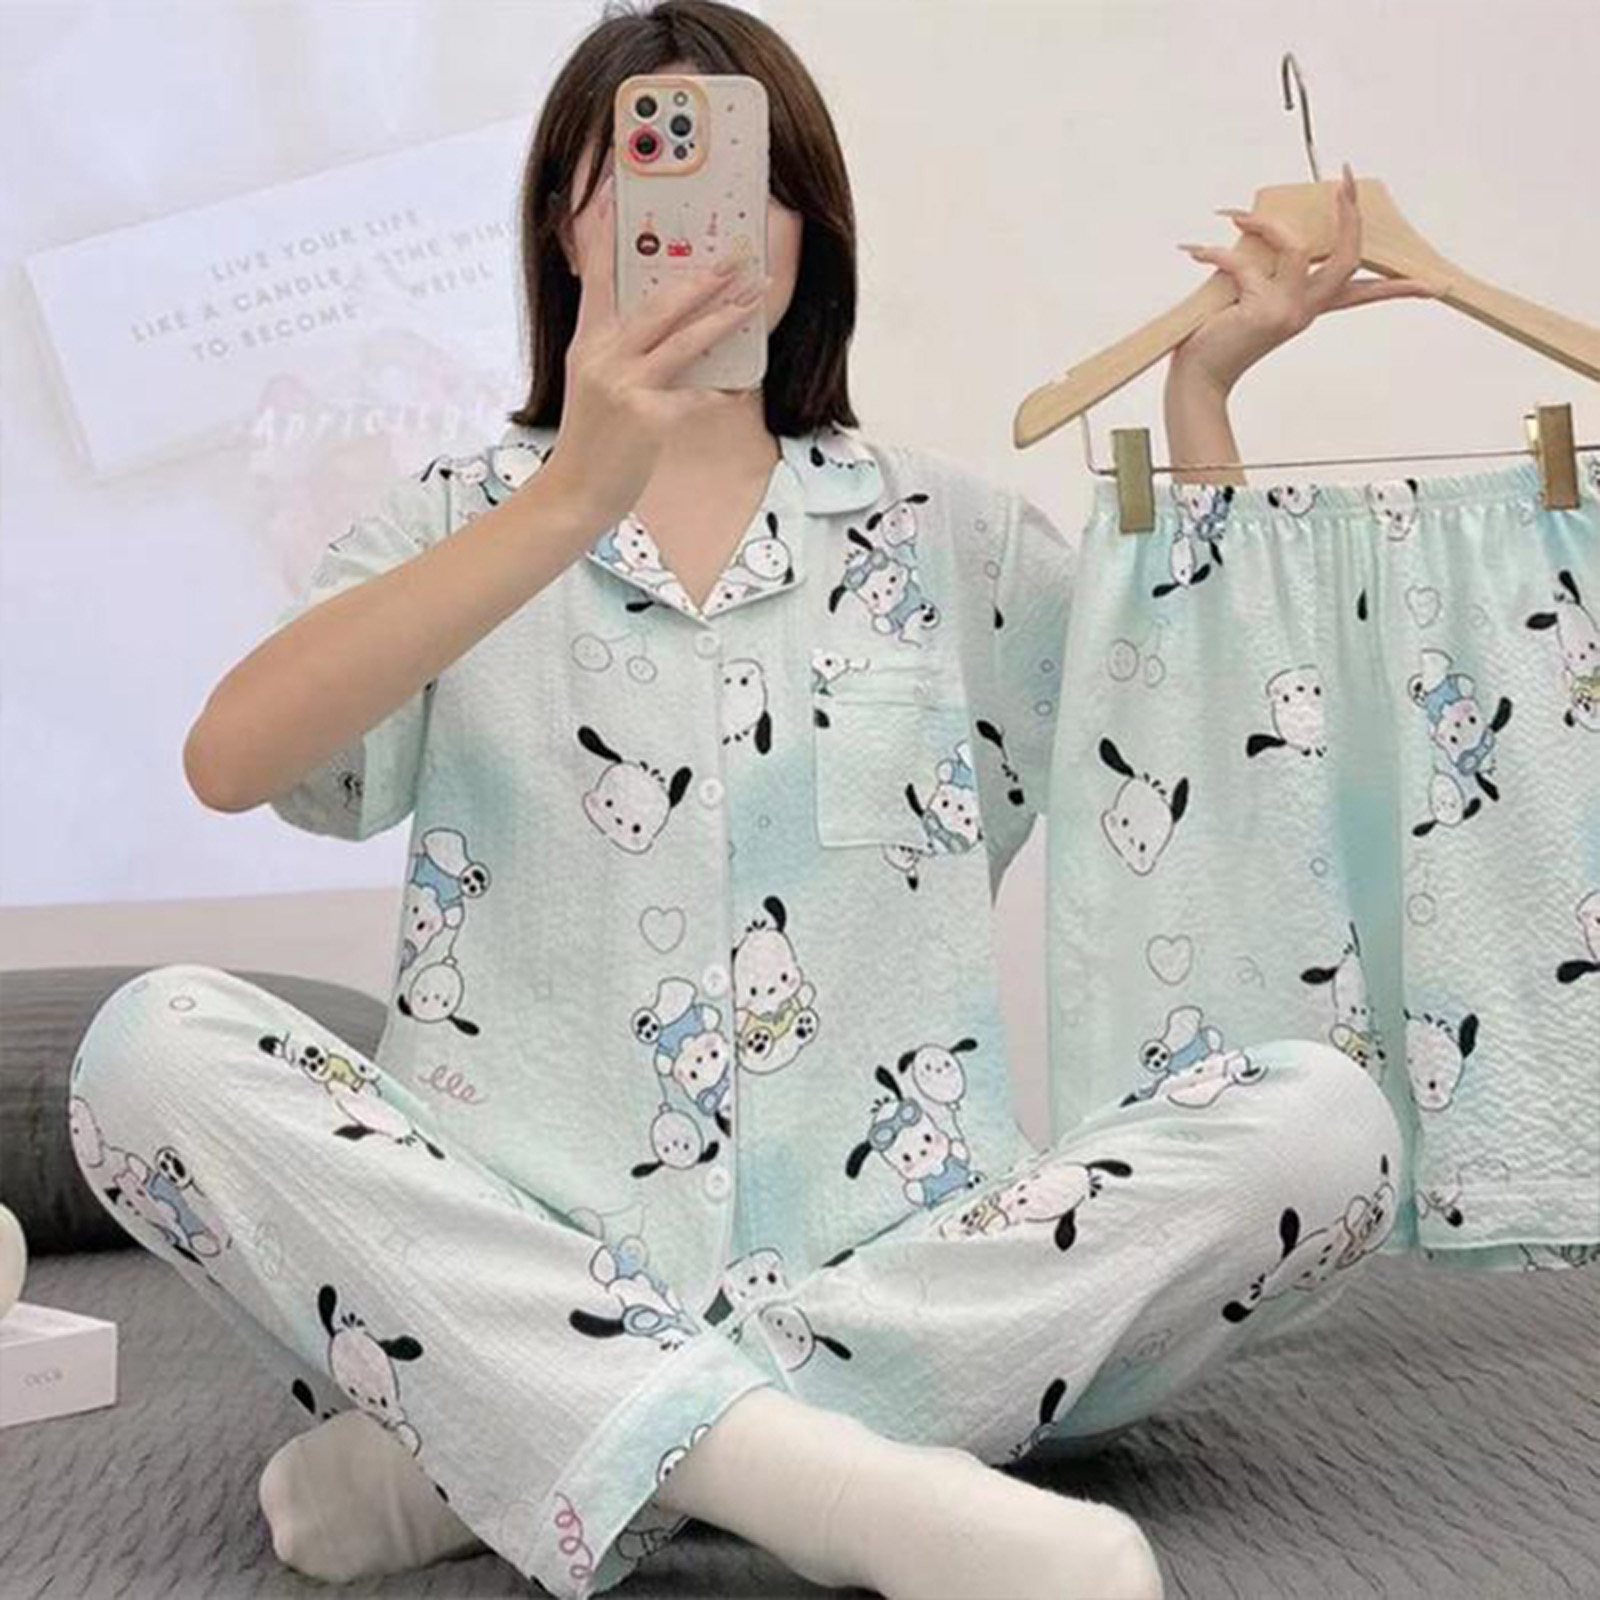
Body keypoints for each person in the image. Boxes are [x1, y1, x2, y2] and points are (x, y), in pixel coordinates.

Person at [71, 3, 1433, 1597]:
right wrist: (571, 498)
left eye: (750, 178)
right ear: (567, 227)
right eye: (641, 169)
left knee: (1329, 1125)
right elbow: (233, 760)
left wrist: (1201, 401)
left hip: (908, 1261)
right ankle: (823, 1482)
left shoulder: (955, 539)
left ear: (808, 233)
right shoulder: (454, 522)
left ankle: (531, 1447)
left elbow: (1206, 749)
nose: (702, 218)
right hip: (509, 1260)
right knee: (146, 1045)